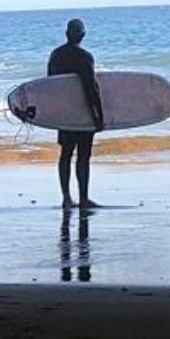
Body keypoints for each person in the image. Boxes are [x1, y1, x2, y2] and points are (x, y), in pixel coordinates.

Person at [47, 18, 105, 208]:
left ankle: (66, 197)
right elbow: (91, 88)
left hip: (64, 114)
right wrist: (99, 116)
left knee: (65, 154)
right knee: (83, 157)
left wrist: (54, 114)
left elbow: (51, 87)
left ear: (66, 34)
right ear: (82, 36)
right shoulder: (84, 57)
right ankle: (83, 197)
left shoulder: (55, 56)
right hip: (83, 114)